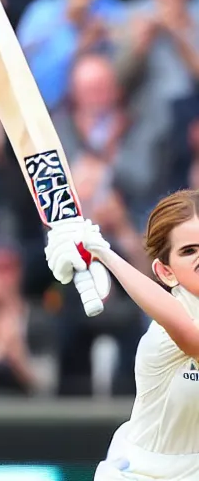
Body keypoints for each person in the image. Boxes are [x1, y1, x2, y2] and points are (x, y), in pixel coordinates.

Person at [45, 189, 199, 479]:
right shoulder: (173, 326)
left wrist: (102, 252)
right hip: (139, 474)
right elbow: (191, 337)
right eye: (189, 250)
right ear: (165, 272)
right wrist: (104, 253)